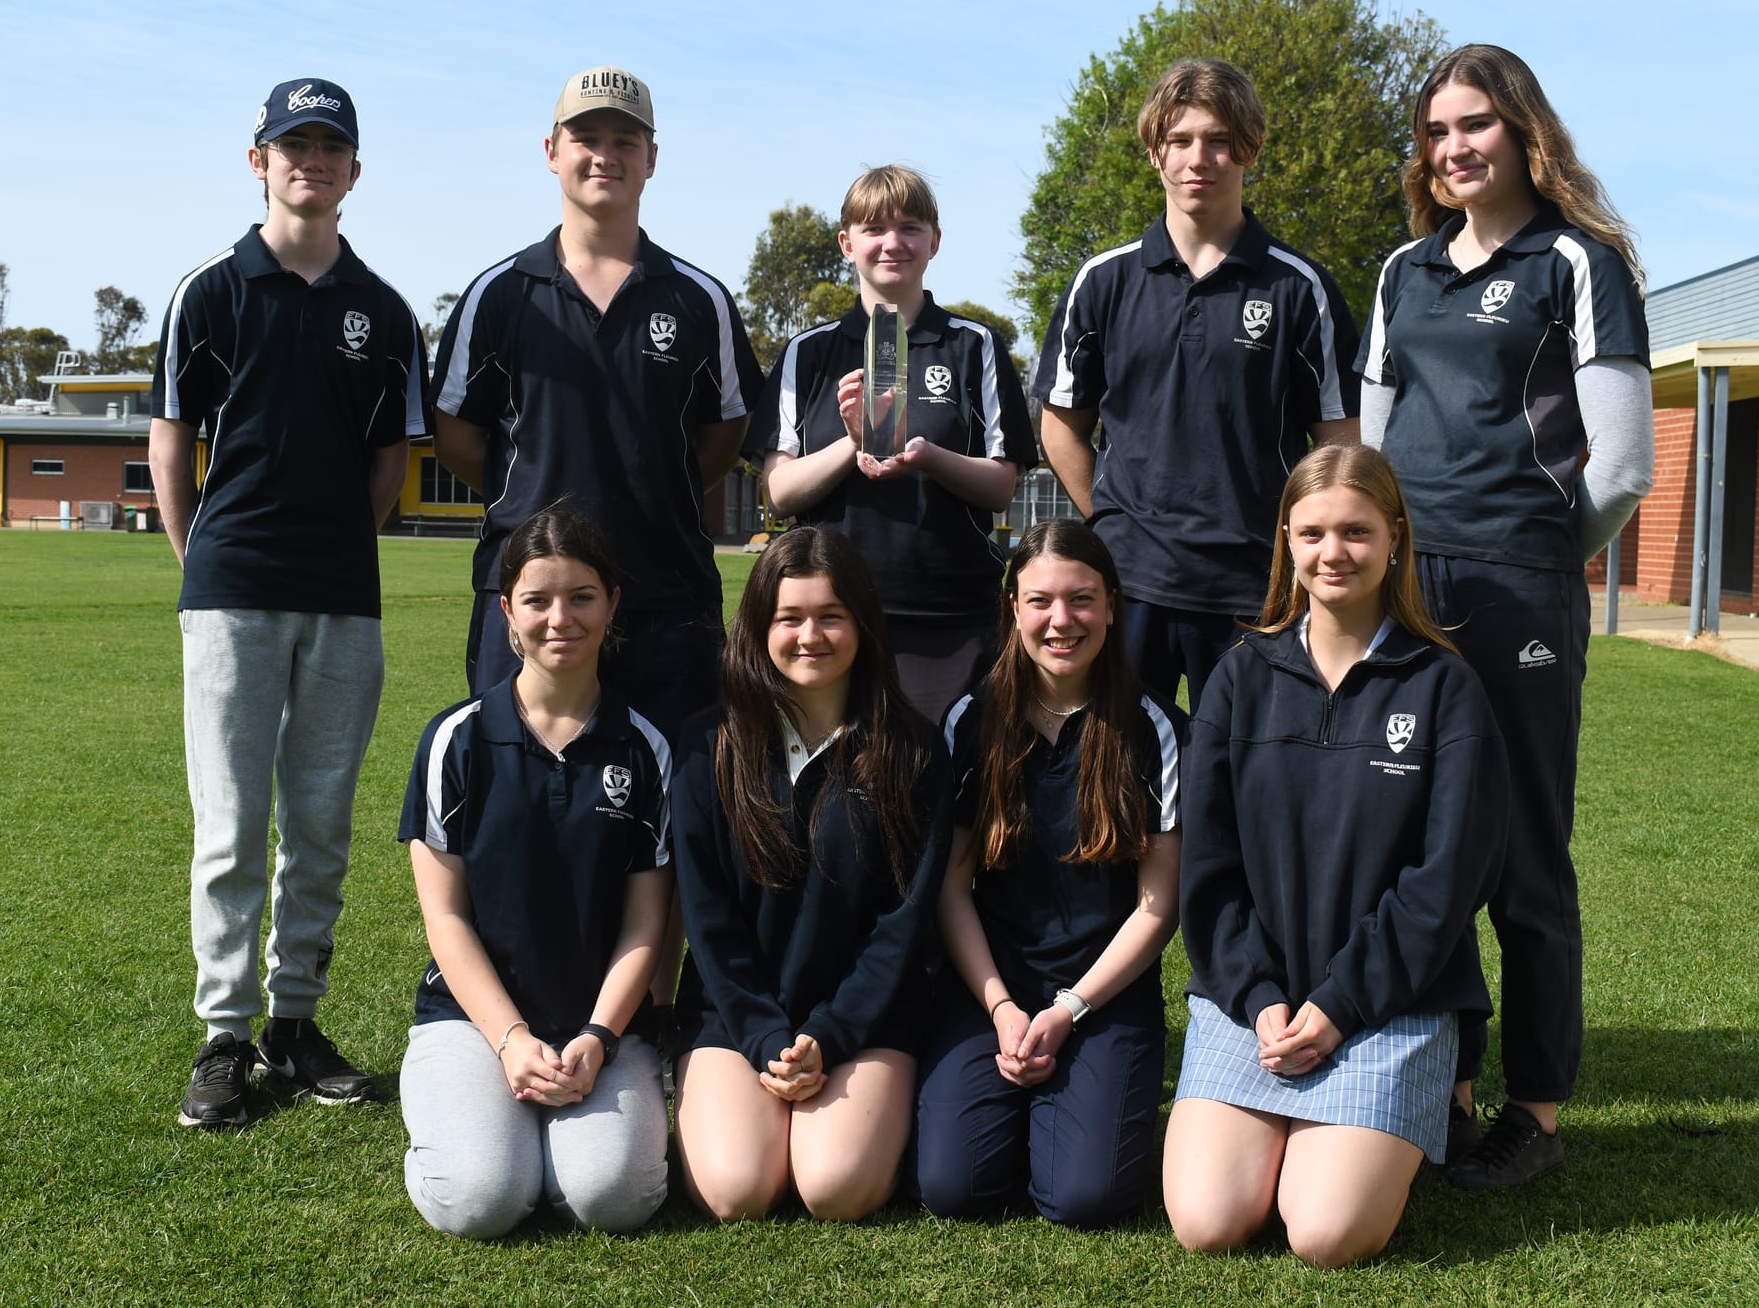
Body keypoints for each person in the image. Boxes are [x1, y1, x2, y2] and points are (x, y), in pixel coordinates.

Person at [1357, 44, 1655, 1188]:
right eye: (1435, 132)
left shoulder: (1577, 263)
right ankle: (1444, 1084)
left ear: (1523, 130)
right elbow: (1373, 447)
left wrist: (1531, 554)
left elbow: (1620, 465)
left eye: (1473, 124)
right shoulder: (1401, 273)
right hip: (1404, 590)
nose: (1452, 149)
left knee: (1522, 850)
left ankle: (1530, 1110)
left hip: (1519, 588)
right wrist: (1381, 564)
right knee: (1411, 839)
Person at [149, 77, 424, 1129]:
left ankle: (294, 1024)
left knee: (318, 824)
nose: (310, 160)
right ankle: (224, 1033)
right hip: (230, 595)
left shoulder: (385, 310)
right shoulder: (211, 290)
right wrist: (201, 562)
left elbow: (388, 458)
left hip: (343, 600)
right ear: (256, 160)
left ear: (353, 170)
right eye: (290, 144)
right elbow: (172, 440)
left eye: (329, 146)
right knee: (229, 824)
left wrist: (335, 550)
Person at [1163, 444, 1508, 1266]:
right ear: (1287, 538)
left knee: (1324, 1232)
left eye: (1356, 531)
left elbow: (1448, 881)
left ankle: (1420, 1100)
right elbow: (1207, 870)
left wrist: (1343, 1002)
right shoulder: (1239, 677)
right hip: (1256, 1004)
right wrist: (1256, 996)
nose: (1333, 553)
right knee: (1209, 1222)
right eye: (1313, 532)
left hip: (1390, 1001)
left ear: (1395, 537)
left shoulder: (1444, 686)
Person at [428, 64, 765, 734]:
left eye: (624, 139)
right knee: (520, 807)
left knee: (676, 816)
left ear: (651, 159)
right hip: (532, 602)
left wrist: (651, 487)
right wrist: (521, 493)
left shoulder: (699, 299)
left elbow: (723, 436)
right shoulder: (499, 294)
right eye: (586, 137)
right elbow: (455, 434)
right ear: (551, 152)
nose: (605, 155)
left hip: (666, 601)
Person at [1033, 57, 1360, 708]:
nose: (1198, 158)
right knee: (1123, 785)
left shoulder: (1300, 287)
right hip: (1129, 583)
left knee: (1246, 796)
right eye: (1180, 140)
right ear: (1155, 152)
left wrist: (1310, 549)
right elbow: (1060, 423)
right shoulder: (1102, 281)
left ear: (1249, 149)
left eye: (1217, 140)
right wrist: (1112, 520)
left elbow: (1341, 445)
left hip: (1255, 586)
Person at [395, 507, 672, 1238]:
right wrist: (512, 1039)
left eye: (582, 596)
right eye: (537, 600)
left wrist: (598, 1037)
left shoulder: (648, 749)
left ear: (613, 603)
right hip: (475, 1018)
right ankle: (477, 1135)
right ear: (506, 613)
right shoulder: (454, 739)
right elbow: (446, 918)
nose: (561, 618)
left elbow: (648, 924)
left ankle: (552, 1142)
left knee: (612, 1197)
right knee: (481, 1199)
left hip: (599, 1025)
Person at [670, 526, 952, 1222]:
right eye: (789, 617)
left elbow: (902, 925)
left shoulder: (914, 752)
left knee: (833, 1186)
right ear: (758, 627)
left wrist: (828, 1034)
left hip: (867, 1018)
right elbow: (708, 923)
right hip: (737, 1016)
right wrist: (766, 1036)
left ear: (863, 623)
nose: (810, 635)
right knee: (738, 1190)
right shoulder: (706, 746)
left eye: (831, 615)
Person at [915, 519, 1183, 1227]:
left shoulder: (1155, 727)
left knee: (1083, 1197)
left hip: (1103, 996)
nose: (1061, 620)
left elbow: (1158, 907)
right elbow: (950, 885)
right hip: (989, 988)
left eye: (1082, 599)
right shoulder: (971, 720)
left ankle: (1077, 1099)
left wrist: (1069, 1011)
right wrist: (1003, 1007)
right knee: (955, 1188)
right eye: (1040, 601)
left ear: (1114, 603)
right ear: (1013, 608)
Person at [749, 164, 1037, 723]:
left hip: (948, 615)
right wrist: (852, 444)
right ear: (846, 243)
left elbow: (1001, 486)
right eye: (874, 227)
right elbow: (780, 492)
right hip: (830, 615)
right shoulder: (808, 353)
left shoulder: (974, 347)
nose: (892, 242)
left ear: (934, 240)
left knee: (950, 789)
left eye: (909, 227)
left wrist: (925, 453)